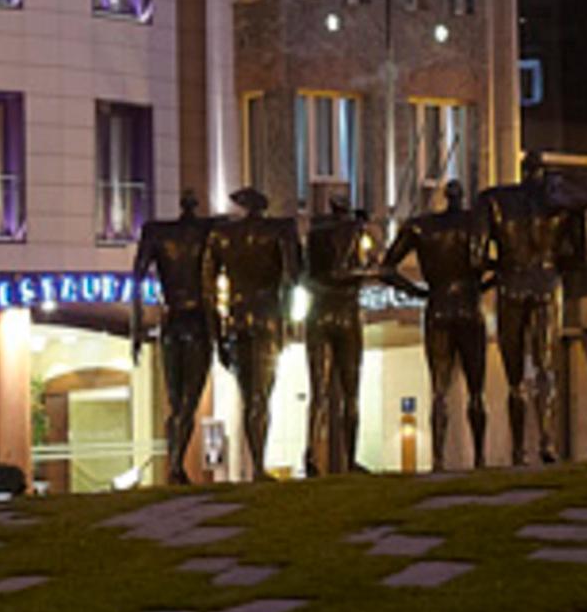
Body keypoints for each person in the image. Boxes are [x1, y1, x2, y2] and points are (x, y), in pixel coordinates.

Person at [382, 179, 499, 469]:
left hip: (438, 306)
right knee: (476, 389)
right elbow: (496, 262)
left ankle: (438, 458)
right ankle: (480, 456)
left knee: (439, 388)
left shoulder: (422, 227)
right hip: (469, 306)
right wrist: (485, 285)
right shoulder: (475, 223)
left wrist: (417, 291)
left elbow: (386, 268)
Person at [483, 165, 582, 464]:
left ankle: (518, 449)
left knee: (514, 376)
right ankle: (546, 440)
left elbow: (476, 255)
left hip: (511, 283)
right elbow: (580, 252)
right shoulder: (559, 204)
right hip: (545, 282)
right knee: (545, 367)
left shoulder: (497, 200)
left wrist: (499, 268)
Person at [209, 188, 301, 479]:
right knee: (262, 395)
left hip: (237, 318)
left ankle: (256, 463)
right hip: (266, 315)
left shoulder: (222, 235)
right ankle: (258, 464)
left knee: (249, 395)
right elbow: (291, 278)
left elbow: (208, 291)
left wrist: (218, 335)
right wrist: (288, 321)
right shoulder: (279, 230)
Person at [134, 189, 222, 483]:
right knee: (188, 401)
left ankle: (175, 464)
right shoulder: (207, 231)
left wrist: (137, 328)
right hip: (196, 323)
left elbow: (137, 277)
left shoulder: (158, 233)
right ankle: (175, 465)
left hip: (171, 323)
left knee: (176, 401)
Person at [298, 197, 378, 477]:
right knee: (350, 389)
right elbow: (354, 270)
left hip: (318, 312)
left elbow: (305, 275)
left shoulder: (314, 234)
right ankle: (350, 459)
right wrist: (370, 268)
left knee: (318, 390)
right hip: (345, 312)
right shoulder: (355, 230)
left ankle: (310, 453)